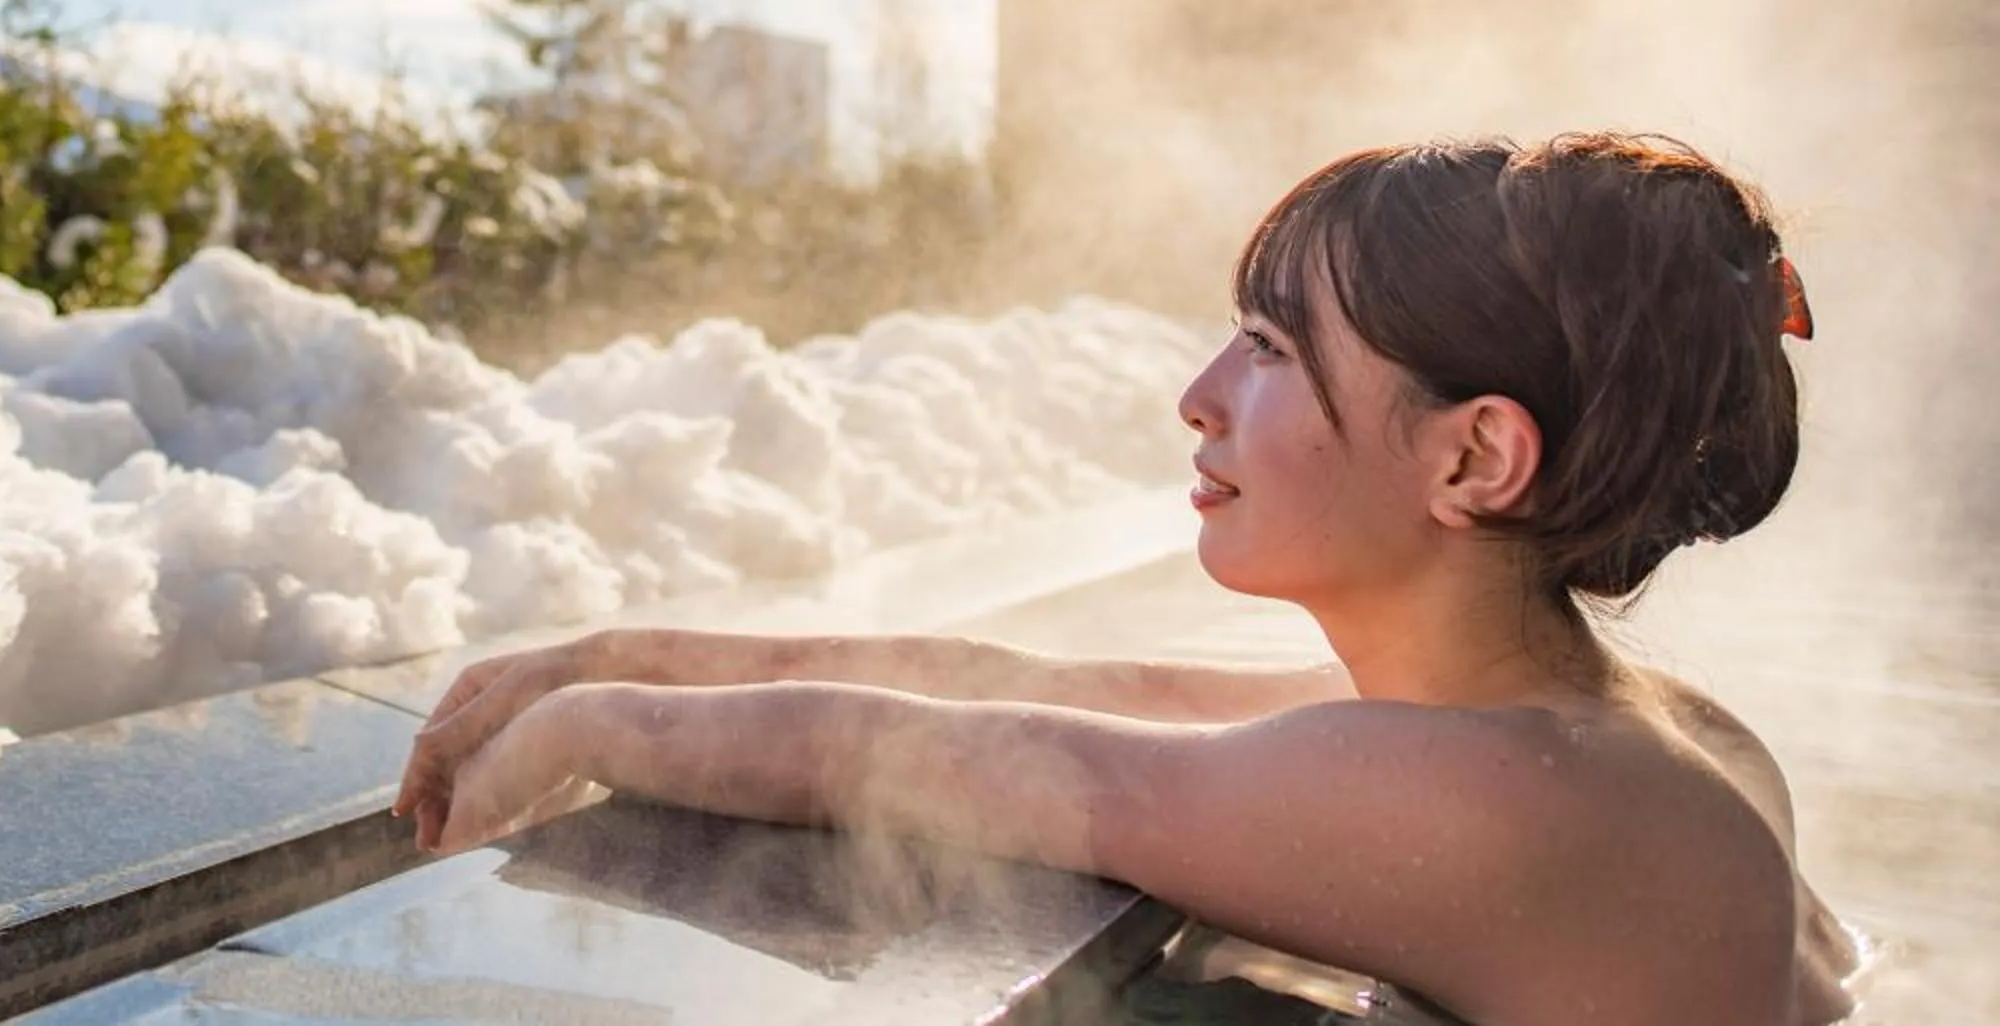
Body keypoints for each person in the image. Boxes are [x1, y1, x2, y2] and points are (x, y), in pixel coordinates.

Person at [393, 134, 1860, 1026]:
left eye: (1276, 351)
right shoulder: (1607, 724)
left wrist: (580, 730)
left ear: (1474, 457)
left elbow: (990, 761)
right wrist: (633, 655)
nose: (1200, 394)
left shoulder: (1498, 797)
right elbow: (1065, 689)